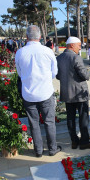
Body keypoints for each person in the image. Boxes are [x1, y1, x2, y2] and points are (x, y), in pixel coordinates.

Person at [15, 25, 61, 158]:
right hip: (45, 91)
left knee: (34, 123)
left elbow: (19, 72)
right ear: (40, 37)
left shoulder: (20, 52)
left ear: (26, 37)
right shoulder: (47, 51)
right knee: (49, 121)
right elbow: (54, 72)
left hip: (28, 93)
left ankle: (38, 150)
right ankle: (52, 148)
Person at [56, 37, 90, 150]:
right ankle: (84, 142)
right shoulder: (76, 57)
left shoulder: (59, 58)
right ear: (71, 45)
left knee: (70, 118)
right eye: (78, 45)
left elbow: (57, 76)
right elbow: (85, 75)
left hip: (67, 92)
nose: (80, 47)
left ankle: (74, 141)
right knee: (83, 117)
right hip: (79, 93)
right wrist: (88, 72)